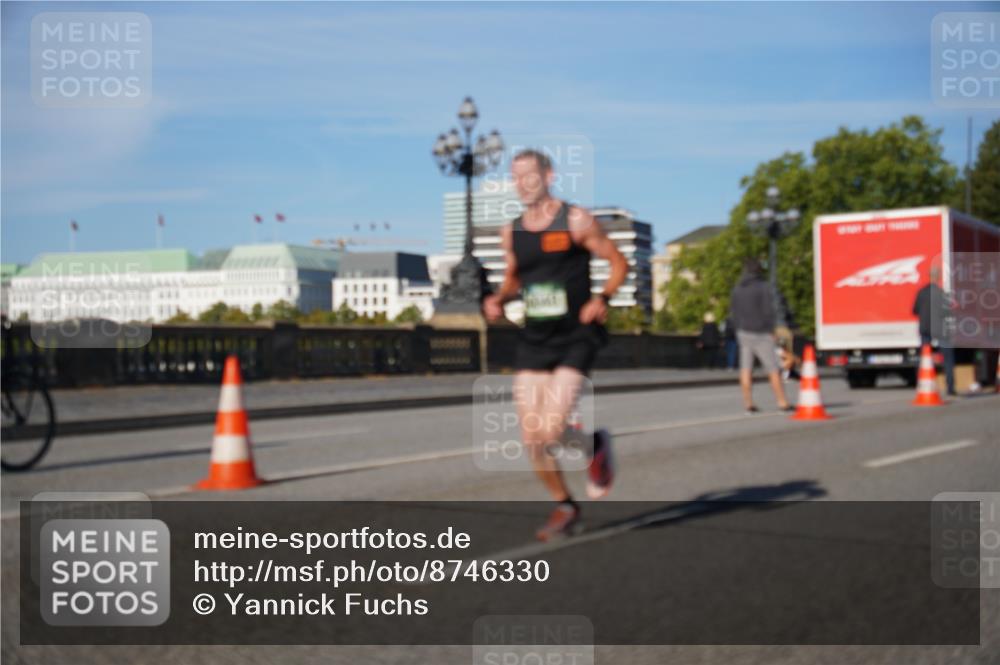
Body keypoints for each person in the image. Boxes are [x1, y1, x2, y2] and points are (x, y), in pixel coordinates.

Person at [482, 148, 628, 541]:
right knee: (532, 438)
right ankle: (566, 504)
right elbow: (514, 277)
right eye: (515, 177)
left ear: (549, 176)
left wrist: (603, 298)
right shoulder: (512, 231)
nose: (522, 184)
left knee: (550, 430)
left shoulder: (576, 220)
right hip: (535, 339)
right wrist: (499, 298)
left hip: (575, 336)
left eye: (529, 175)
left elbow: (618, 262)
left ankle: (592, 445)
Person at [729, 258, 793, 414]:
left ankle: (748, 403)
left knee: (746, 368)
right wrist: (772, 331)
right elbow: (768, 311)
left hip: (743, 332)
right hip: (761, 332)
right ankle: (782, 402)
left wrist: (739, 328)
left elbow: (733, 313)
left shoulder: (737, 289)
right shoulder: (763, 287)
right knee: (773, 368)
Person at [912, 264, 956, 396]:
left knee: (924, 358)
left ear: (929, 276)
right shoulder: (941, 293)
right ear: (938, 277)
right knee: (948, 358)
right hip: (939, 329)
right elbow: (947, 312)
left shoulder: (921, 292)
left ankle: (922, 385)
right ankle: (950, 387)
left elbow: (915, 310)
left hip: (925, 328)